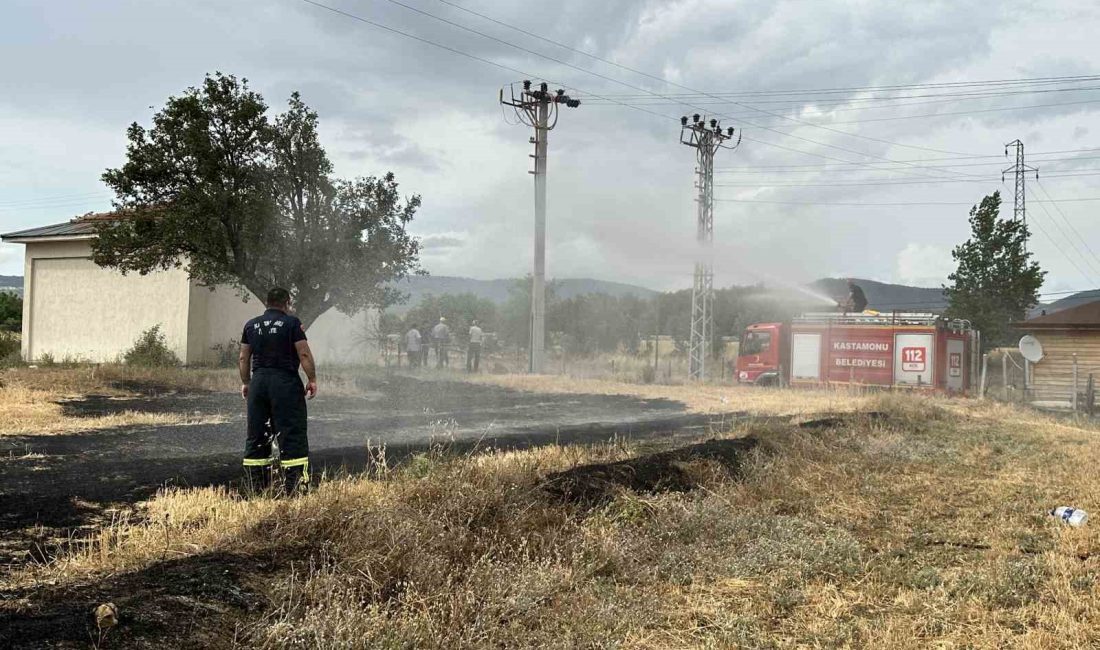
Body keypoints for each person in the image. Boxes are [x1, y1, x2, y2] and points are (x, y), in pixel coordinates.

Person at [238, 287, 318, 495]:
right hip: (285, 382)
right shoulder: (292, 323)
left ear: (266, 302)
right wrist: (312, 379)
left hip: (259, 382)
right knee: (292, 432)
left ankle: (255, 489)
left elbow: (243, 357)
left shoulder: (251, 325)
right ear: (287, 303)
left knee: (257, 434)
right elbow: (304, 354)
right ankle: (295, 488)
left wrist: (247, 382)